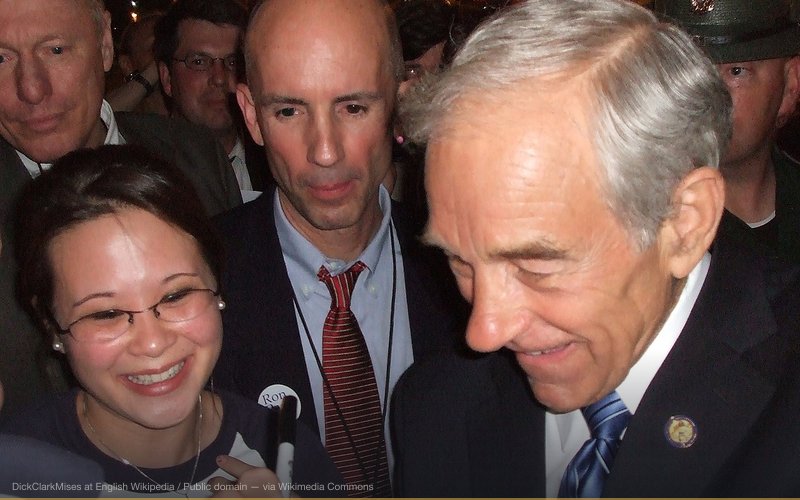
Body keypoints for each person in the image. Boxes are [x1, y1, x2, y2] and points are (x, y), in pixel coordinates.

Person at [391, 0, 800, 497]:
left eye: (536, 266)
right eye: (460, 261)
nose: (484, 332)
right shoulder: (432, 412)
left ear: (684, 223)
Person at [215, 0, 468, 494]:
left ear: (399, 103)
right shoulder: (191, 281)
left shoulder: (468, 274)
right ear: (251, 114)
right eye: (288, 110)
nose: (325, 151)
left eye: (353, 107)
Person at [2, 144, 341, 497]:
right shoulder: (14, 474)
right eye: (106, 314)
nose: (152, 343)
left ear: (217, 285)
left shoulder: (288, 452)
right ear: (50, 323)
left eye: (175, 296)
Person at [0, 0, 242, 416]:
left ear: (105, 45)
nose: (32, 89)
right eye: (1, 57)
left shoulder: (195, 156)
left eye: (55, 50)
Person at [653, 0, 800, 265]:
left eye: (736, 72)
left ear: (790, 86)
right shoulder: (646, 230)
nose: (709, 96)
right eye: (692, 71)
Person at [155, 0, 271, 200]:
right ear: (167, 78)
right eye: (199, 62)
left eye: (233, 61)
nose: (219, 78)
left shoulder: (275, 161)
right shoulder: (147, 172)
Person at [106, 12, 168, 116]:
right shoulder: (125, 120)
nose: (167, 53)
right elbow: (103, 118)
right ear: (127, 64)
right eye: (155, 48)